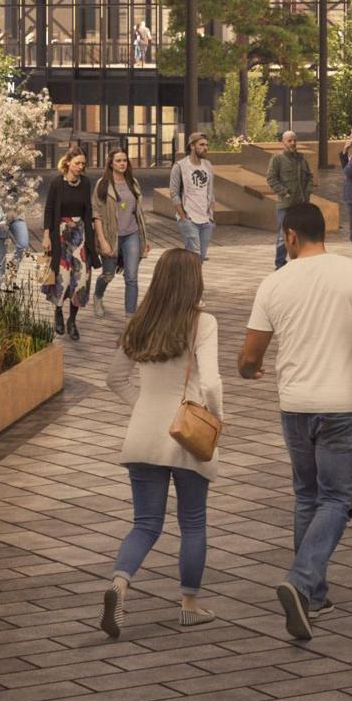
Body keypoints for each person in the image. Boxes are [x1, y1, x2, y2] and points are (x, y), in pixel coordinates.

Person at [240, 202, 352, 643]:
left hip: (295, 406)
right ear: (321, 232)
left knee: (307, 494)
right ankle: (302, 579)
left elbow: (250, 356)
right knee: (336, 498)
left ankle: (313, 594)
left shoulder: (274, 283)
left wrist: (247, 369)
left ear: (290, 235)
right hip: (344, 404)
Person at [103, 245, 222, 637]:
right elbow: (211, 382)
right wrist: (216, 418)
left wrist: (145, 407)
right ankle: (188, 604)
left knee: (145, 524)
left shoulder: (140, 321)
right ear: (195, 281)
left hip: (142, 434)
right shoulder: (202, 323)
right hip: (185, 434)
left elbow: (114, 378)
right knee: (192, 523)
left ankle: (119, 584)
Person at [44, 146, 104, 343]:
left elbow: (88, 211)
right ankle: (59, 312)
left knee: (79, 279)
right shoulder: (56, 183)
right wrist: (46, 236)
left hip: (80, 236)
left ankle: (72, 321)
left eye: (83, 164)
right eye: (77, 163)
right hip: (60, 236)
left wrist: (92, 237)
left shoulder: (86, 183)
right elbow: (49, 210)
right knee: (62, 277)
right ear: (68, 162)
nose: (80, 167)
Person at [100, 143, 149, 314]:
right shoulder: (103, 184)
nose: (122, 164)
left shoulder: (133, 183)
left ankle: (130, 318)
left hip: (132, 235)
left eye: (125, 161)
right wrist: (103, 241)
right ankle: (98, 297)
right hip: (112, 236)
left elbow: (139, 214)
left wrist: (144, 240)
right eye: (118, 161)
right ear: (111, 163)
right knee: (108, 274)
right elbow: (96, 215)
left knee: (132, 279)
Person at [266, 129, 316, 256]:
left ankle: (297, 262)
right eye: (289, 140)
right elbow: (271, 179)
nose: (293, 143)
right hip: (285, 205)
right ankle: (280, 264)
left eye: (294, 140)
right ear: (283, 142)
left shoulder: (301, 159)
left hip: (301, 205)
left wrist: (308, 192)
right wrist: (284, 192)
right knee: (283, 236)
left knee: (300, 236)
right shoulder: (277, 159)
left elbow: (309, 177)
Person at [171, 132, 219, 258]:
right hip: (189, 218)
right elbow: (174, 193)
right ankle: (193, 278)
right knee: (195, 255)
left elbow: (211, 191)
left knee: (200, 257)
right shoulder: (180, 166)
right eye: (201, 145)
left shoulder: (208, 165)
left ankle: (187, 277)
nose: (205, 148)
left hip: (206, 219)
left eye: (206, 145)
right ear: (192, 146)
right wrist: (183, 217)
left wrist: (211, 216)